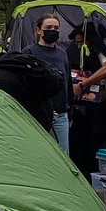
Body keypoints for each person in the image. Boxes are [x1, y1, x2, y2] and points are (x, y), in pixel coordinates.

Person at [22, 13, 72, 153]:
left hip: (61, 115)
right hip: (37, 114)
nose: (53, 30)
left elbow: (67, 84)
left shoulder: (62, 54)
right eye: (48, 27)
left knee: (63, 155)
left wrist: (70, 112)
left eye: (56, 28)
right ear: (39, 30)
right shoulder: (29, 52)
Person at [68, 24, 106, 177]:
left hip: (99, 106)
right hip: (79, 107)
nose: (79, 46)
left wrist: (83, 84)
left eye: (82, 42)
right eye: (77, 43)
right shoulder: (72, 51)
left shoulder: (100, 51)